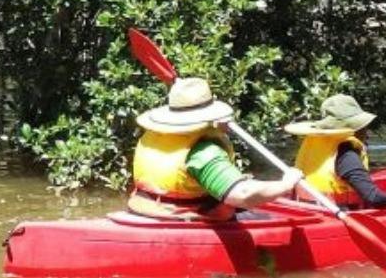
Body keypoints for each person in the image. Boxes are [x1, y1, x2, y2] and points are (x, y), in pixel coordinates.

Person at [127, 78, 304, 221]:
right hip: (183, 219)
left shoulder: (155, 136)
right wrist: (285, 185)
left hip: (143, 210)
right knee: (266, 218)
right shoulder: (204, 151)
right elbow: (242, 195)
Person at [286, 94, 386, 210]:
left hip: (307, 210)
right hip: (333, 216)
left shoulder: (315, 143)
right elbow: (374, 198)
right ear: (354, 128)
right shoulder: (346, 153)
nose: (366, 130)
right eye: (363, 126)